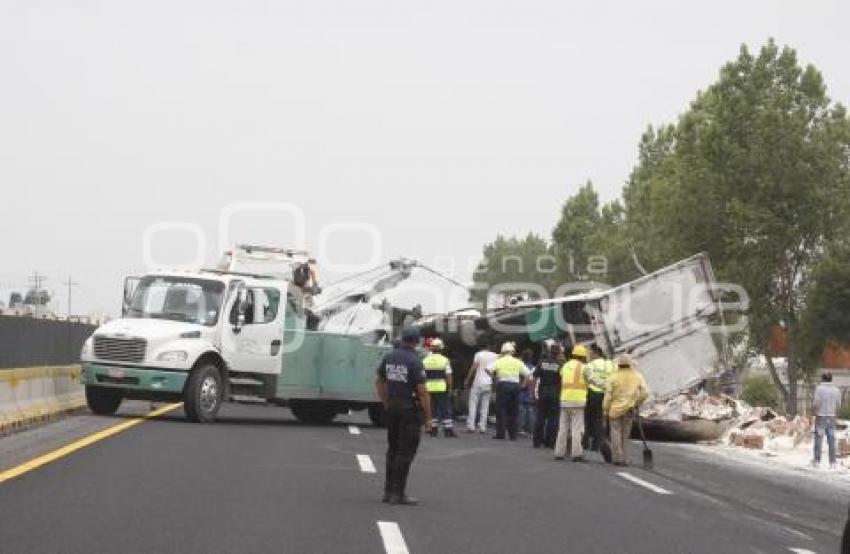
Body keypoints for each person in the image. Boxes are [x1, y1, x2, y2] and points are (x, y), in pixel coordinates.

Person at [375, 327, 432, 505]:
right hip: (409, 410)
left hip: (392, 407)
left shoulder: (389, 356)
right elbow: (422, 392)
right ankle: (397, 493)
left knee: (392, 450)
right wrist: (429, 417)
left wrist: (386, 402)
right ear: (416, 341)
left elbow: (379, 381)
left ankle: (388, 491)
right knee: (405, 452)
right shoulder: (415, 361)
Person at [603, 354, 650, 467]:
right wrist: (636, 403)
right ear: (630, 364)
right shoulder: (637, 376)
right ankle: (624, 458)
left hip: (615, 410)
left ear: (619, 364)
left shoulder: (612, 377)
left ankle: (617, 458)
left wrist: (605, 410)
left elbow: (608, 397)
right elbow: (645, 393)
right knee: (625, 434)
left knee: (615, 433)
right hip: (629, 409)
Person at [489, 342, 530, 440]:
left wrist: (495, 379)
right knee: (513, 411)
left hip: (503, 385)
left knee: (501, 410)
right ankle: (513, 435)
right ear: (512, 352)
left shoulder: (500, 361)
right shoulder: (518, 361)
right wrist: (523, 385)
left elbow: (488, 369)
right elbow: (528, 374)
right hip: (515, 386)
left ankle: (501, 434)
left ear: (503, 351)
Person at [554, 345, 589, 461]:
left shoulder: (565, 366)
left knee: (562, 428)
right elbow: (591, 380)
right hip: (578, 402)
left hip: (564, 400)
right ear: (583, 356)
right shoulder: (584, 367)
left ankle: (559, 453)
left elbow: (561, 377)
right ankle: (577, 454)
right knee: (576, 429)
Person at [583, 344, 614, 461]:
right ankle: (597, 444)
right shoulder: (611, 365)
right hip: (606, 396)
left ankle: (586, 443)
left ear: (596, 353)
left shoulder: (591, 365)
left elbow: (588, 378)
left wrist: (600, 384)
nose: (589, 355)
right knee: (600, 420)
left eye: (590, 353)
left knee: (587, 419)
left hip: (593, 394)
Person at [422, 338, 457, 438]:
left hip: (429, 388)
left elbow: (422, 376)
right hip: (442, 388)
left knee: (433, 409)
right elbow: (449, 375)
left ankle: (434, 430)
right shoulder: (445, 360)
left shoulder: (425, 360)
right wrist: (450, 387)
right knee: (445, 409)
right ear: (441, 348)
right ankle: (448, 430)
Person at [533, 342, 563, 449]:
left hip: (543, 392)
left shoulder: (542, 362)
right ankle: (550, 442)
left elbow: (535, 377)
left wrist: (534, 392)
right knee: (553, 419)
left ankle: (537, 442)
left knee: (540, 417)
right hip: (555, 393)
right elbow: (563, 380)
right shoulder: (560, 364)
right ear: (559, 352)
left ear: (550, 351)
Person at [464, 344, 497, 433]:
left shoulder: (478, 354)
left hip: (478, 382)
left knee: (473, 404)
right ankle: (482, 427)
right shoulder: (495, 355)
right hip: (488, 382)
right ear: (489, 347)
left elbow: (473, 368)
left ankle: (471, 426)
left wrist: (467, 379)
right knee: (485, 406)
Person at [812, 371, 841, 469]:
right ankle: (832, 462)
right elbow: (838, 403)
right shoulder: (836, 390)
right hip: (832, 417)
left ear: (823, 379)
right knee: (832, 439)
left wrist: (815, 413)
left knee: (818, 439)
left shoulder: (819, 389)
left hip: (821, 416)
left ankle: (817, 461)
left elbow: (817, 403)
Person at [518, 349, 537, 436]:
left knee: (521, 410)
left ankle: (521, 429)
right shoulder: (534, 368)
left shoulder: (520, 366)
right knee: (530, 410)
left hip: (521, 390)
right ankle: (531, 430)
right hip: (530, 391)